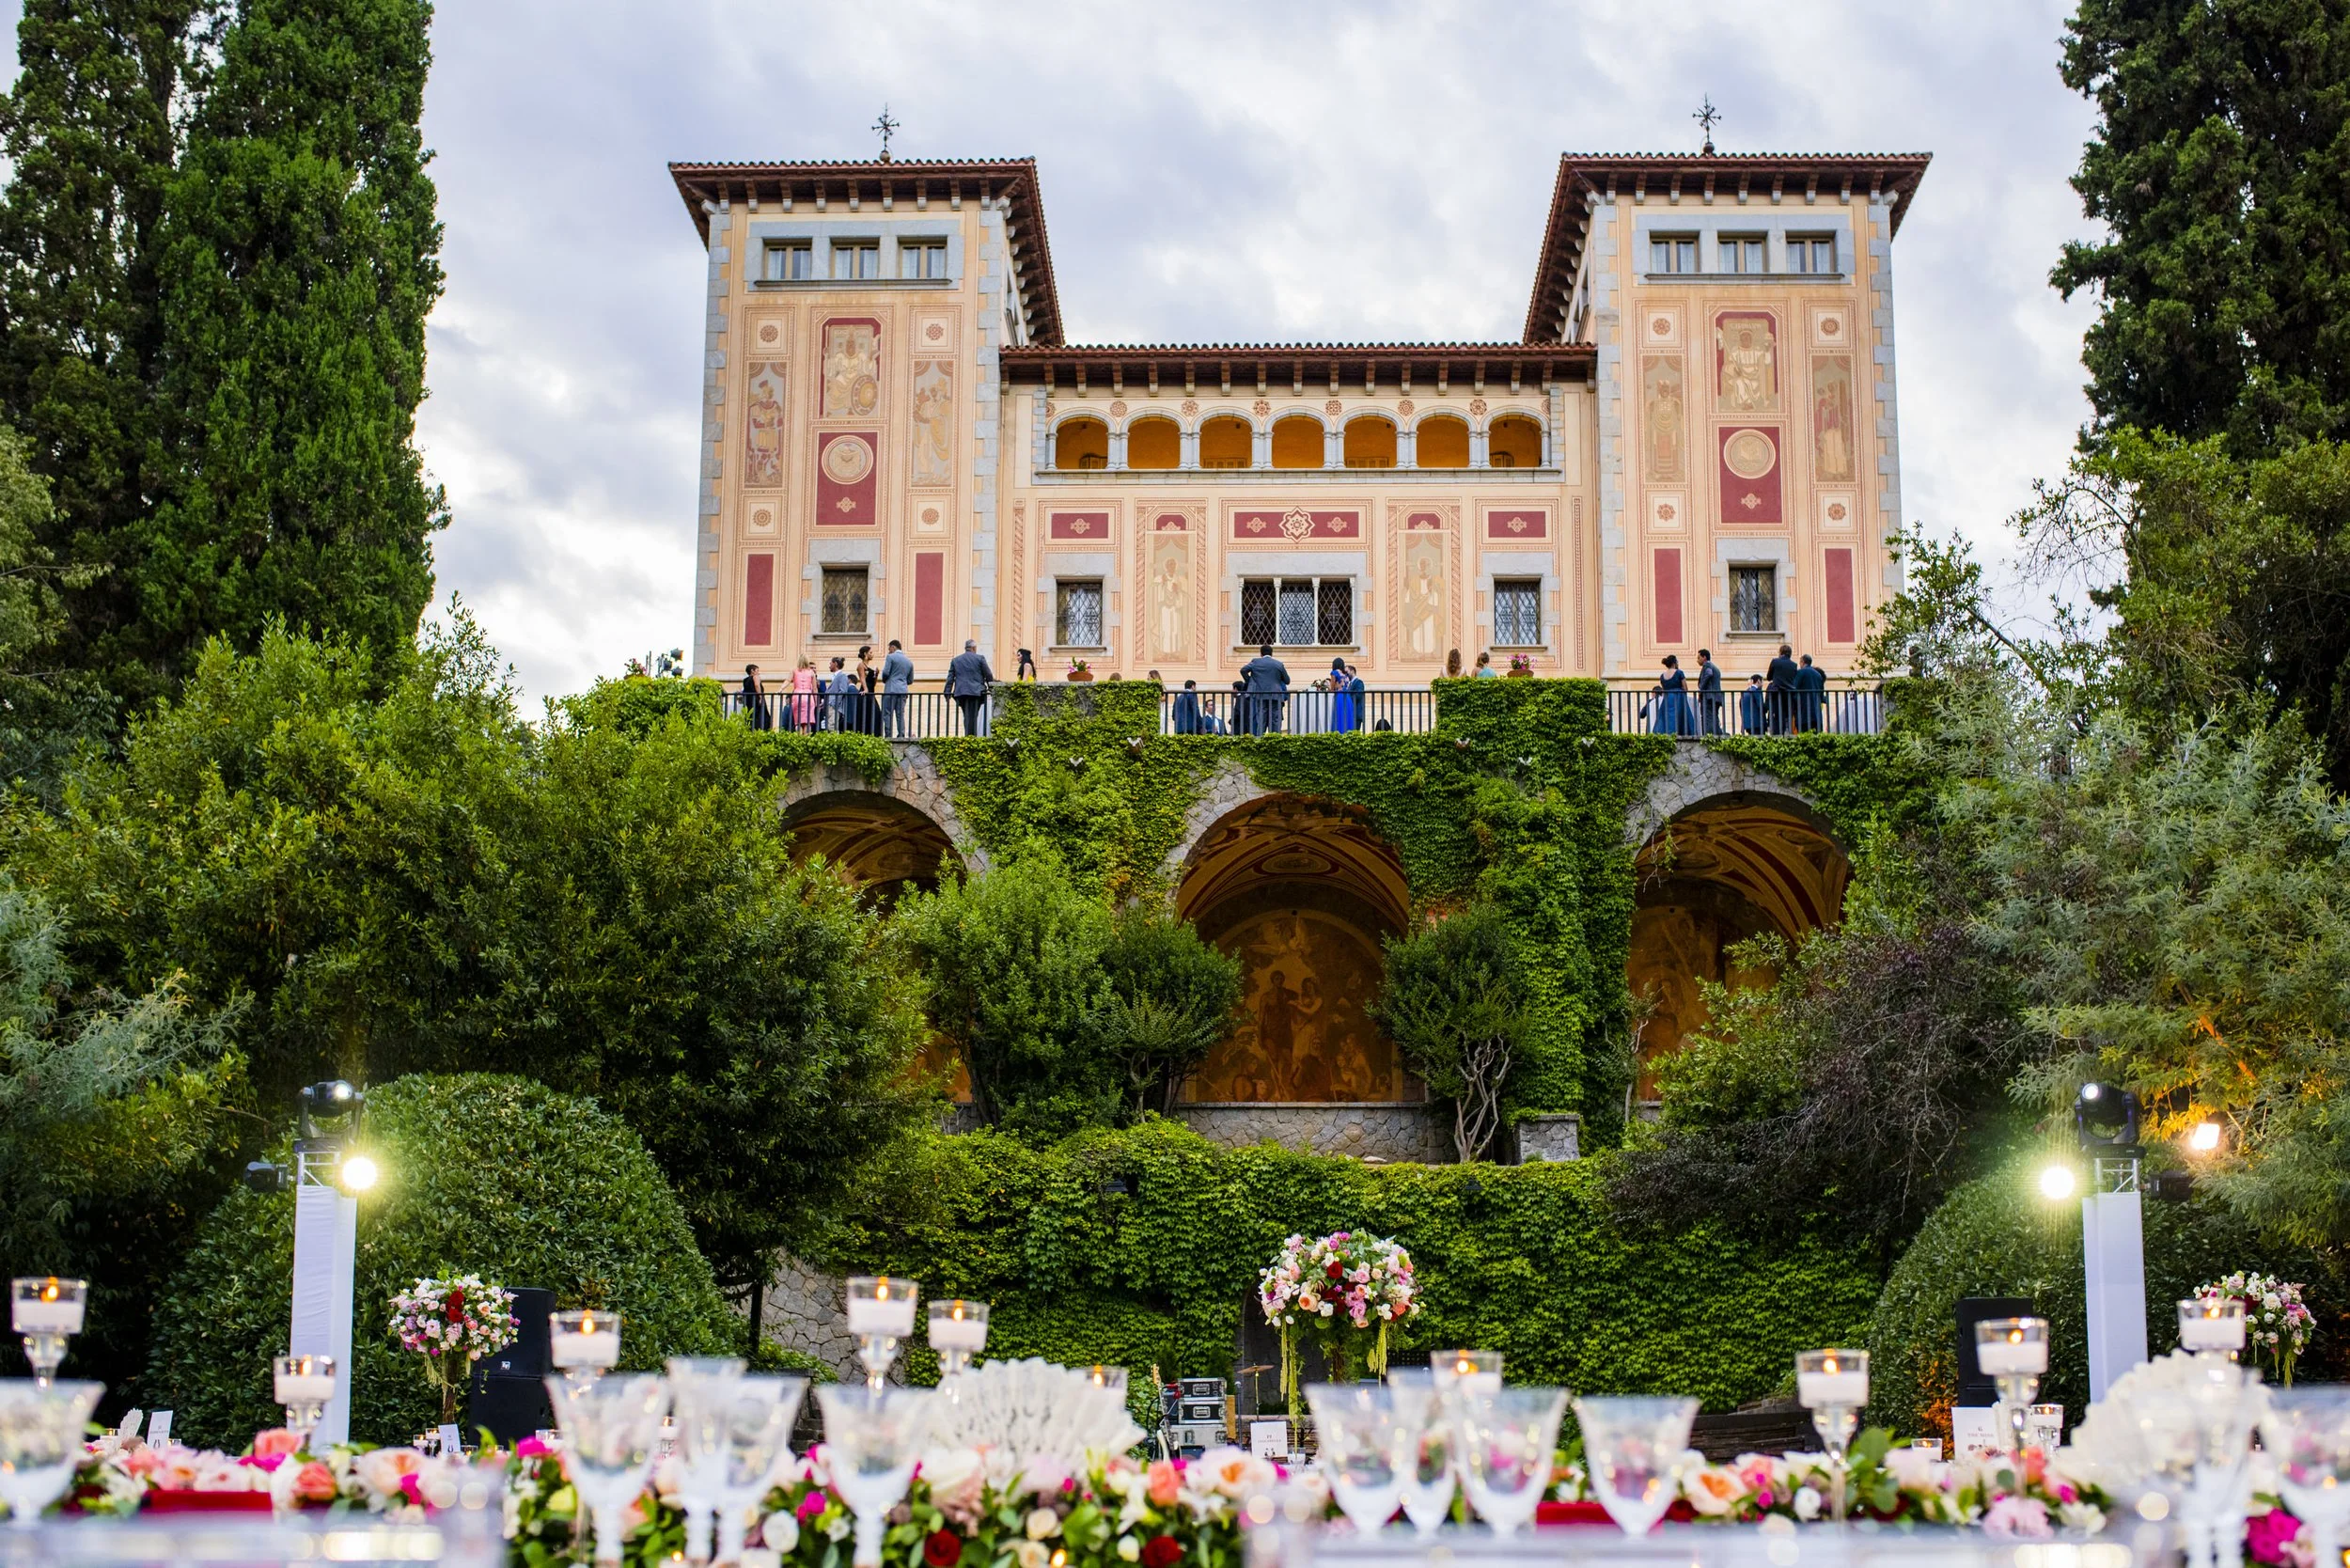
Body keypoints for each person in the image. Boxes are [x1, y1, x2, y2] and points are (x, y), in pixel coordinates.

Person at [946, 639, 994, 734]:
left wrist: (947, 692)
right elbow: (988, 674)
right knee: (973, 715)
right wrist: (991, 687)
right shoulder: (980, 658)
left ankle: (968, 735)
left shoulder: (956, 660)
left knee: (967, 715)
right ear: (974, 648)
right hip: (976, 692)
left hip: (961, 692)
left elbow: (950, 677)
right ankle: (971, 737)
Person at [1240, 643, 1290, 735]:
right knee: (1275, 720)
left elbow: (1243, 670)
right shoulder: (1278, 664)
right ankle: (1275, 740)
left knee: (1261, 719)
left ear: (1261, 654)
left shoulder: (1255, 662)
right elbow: (1287, 680)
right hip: (1276, 694)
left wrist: (1250, 680)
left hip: (1260, 694)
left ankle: (1260, 741)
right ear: (1272, 654)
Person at [1652, 654, 1694, 737]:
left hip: (1667, 698)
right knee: (1680, 717)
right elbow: (1685, 688)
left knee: (1668, 718)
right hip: (1678, 697)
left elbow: (1663, 689)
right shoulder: (1679, 673)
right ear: (1674, 663)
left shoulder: (1662, 676)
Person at [880, 639, 915, 738]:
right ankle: (901, 734)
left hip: (891, 689)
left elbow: (886, 672)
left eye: (889, 648)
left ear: (893, 647)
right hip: (903, 690)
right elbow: (910, 680)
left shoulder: (890, 657)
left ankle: (888, 734)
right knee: (900, 714)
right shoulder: (909, 662)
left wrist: (885, 680)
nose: (889, 651)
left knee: (887, 713)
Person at [1765, 642, 1800, 735]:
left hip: (1777, 693)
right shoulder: (1794, 665)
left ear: (1781, 653)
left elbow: (1769, 677)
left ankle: (1778, 735)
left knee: (1776, 717)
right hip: (1789, 694)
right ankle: (1787, 733)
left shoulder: (1775, 661)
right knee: (1787, 716)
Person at [1795, 652, 1827, 733]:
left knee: (1804, 735)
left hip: (1804, 711)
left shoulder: (1800, 672)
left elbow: (1794, 689)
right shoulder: (1818, 675)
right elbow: (1821, 693)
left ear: (1803, 662)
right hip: (1816, 713)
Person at [1696, 648, 1724, 736]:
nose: (1697, 660)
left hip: (1709, 697)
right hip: (1716, 697)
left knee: (1708, 717)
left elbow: (1709, 674)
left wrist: (1701, 689)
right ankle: (1718, 734)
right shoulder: (1714, 666)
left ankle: (1709, 736)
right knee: (1714, 716)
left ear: (1704, 657)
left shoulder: (1707, 665)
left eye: (1699, 658)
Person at [854, 645, 880, 734]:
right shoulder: (861, 665)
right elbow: (862, 678)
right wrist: (865, 689)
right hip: (866, 693)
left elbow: (874, 683)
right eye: (870, 653)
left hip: (871, 692)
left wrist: (876, 675)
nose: (872, 655)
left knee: (875, 713)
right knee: (866, 714)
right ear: (865, 653)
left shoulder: (869, 666)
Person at [740, 664, 771, 731]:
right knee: (762, 717)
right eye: (757, 670)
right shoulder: (755, 677)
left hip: (749, 702)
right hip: (756, 701)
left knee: (751, 719)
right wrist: (760, 696)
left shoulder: (745, 680)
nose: (758, 672)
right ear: (752, 671)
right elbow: (757, 685)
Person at [790, 658, 818, 732]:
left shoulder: (794, 671)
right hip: (808, 697)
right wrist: (816, 702)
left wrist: (780, 689)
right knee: (807, 723)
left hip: (797, 696)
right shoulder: (811, 673)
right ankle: (806, 741)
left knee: (798, 723)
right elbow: (814, 689)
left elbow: (787, 680)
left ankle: (800, 741)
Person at [1328, 657, 1355, 733]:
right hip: (1347, 697)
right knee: (1347, 716)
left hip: (1339, 696)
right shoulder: (1345, 675)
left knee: (1338, 716)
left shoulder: (1334, 673)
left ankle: (1338, 734)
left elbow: (1332, 688)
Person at [1739, 671, 1767, 735]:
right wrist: (1768, 707)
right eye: (1762, 682)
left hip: (1747, 724)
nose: (1762, 684)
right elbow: (1760, 706)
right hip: (1757, 724)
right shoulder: (1757, 691)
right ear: (1758, 681)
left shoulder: (1745, 692)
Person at [1344, 664, 1367, 731]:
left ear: (1352, 671)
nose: (1346, 674)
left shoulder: (1359, 682)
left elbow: (1358, 695)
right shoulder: (1348, 683)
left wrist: (1347, 698)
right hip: (1350, 713)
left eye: (1346, 672)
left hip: (1356, 714)